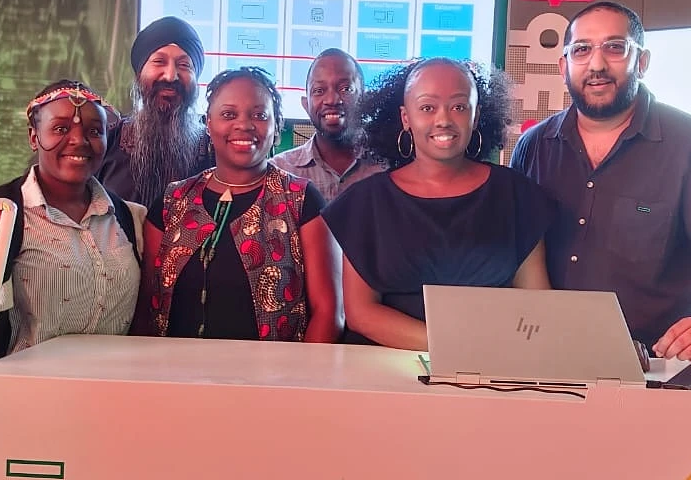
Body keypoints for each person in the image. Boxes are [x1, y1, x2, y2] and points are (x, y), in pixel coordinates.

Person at [510, 1, 691, 362]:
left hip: (658, 369)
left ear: (641, 62)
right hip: (547, 360)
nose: (597, 64)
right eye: (582, 50)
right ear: (564, 66)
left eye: (615, 48)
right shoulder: (534, 146)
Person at [321, 57, 554, 350]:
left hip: (494, 368)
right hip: (383, 374)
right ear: (406, 118)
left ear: (477, 115)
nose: (443, 119)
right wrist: (453, 348)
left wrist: (492, 354)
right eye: (427, 108)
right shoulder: (365, 203)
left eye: (458, 107)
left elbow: (537, 304)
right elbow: (361, 314)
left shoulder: (517, 194)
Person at [135, 67, 342, 342]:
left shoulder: (301, 200)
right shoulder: (172, 203)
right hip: (175, 377)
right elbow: (145, 307)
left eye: (259, 115)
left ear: (276, 126)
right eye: (229, 114)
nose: (243, 125)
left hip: (274, 380)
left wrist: (298, 381)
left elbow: (329, 313)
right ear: (208, 124)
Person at [0, 80, 143, 358]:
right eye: (60, 128)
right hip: (24, 393)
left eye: (94, 131)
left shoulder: (130, 219)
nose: (79, 140)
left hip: (111, 391)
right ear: (33, 136)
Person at [98, 16, 214, 207]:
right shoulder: (106, 142)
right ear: (139, 73)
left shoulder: (214, 149)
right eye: (159, 61)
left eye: (184, 65)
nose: (171, 76)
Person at [272, 48, 384, 199]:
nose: (332, 100)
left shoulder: (390, 166)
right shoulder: (279, 172)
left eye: (346, 89)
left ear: (365, 98)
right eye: (319, 90)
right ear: (306, 104)